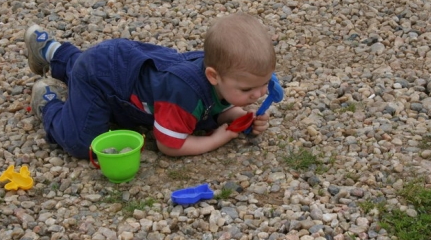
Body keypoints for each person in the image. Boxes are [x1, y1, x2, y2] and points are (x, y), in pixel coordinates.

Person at [25, 13, 277, 159]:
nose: (259, 94)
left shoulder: (222, 74)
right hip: (101, 79)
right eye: (247, 90)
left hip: (117, 63)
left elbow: (208, 108)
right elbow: (169, 144)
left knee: (89, 67)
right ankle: (48, 104)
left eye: (265, 83)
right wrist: (219, 138)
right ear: (213, 76)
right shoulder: (183, 93)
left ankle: (53, 51)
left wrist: (239, 116)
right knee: (82, 143)